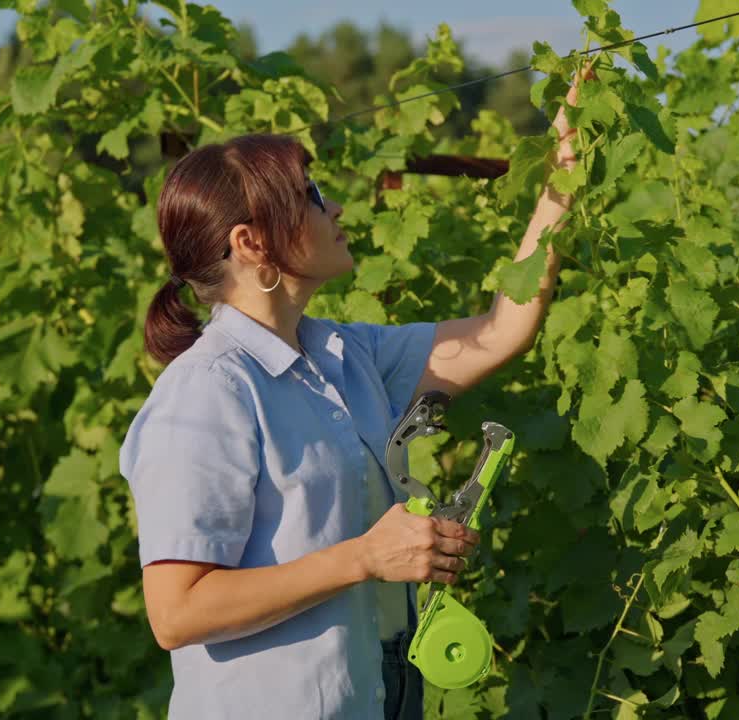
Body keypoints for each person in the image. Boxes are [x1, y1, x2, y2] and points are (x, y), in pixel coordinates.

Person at [118, 71, 587, 720]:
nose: (334, 207)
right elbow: (176, 611)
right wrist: (365, 557)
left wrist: (561, 183)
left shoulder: (346, 354)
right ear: (252, 244)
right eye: (310, 196)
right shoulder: (205, 394)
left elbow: (500, 331)